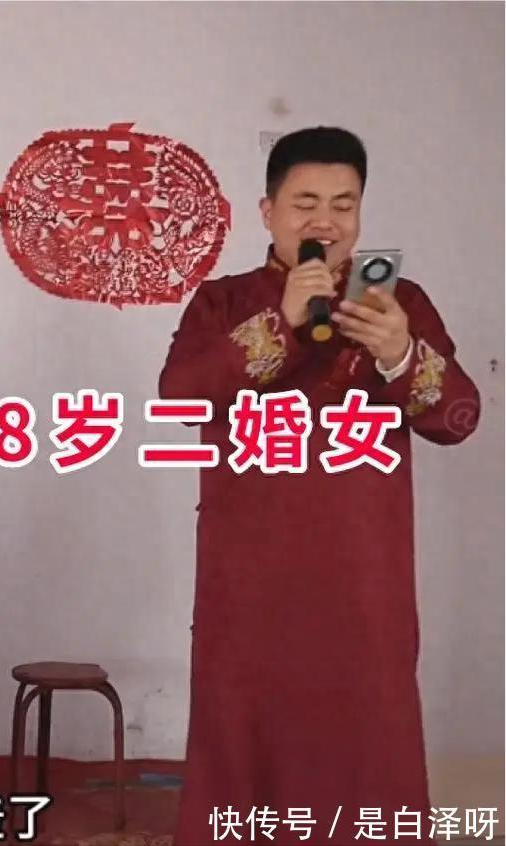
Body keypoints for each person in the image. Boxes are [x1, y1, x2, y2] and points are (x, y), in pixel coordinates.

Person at [158, 126, 480, 845]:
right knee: (244, 728)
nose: (324, 221)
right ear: (267, 211)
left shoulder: (398, 303)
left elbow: (459, 418)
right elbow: (178, 396)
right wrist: (281, 324)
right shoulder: (224, 302)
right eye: (305, 203)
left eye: (343, 203)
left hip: (363, 579)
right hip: (249, 576)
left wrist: (400, 354)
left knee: (366, 730)